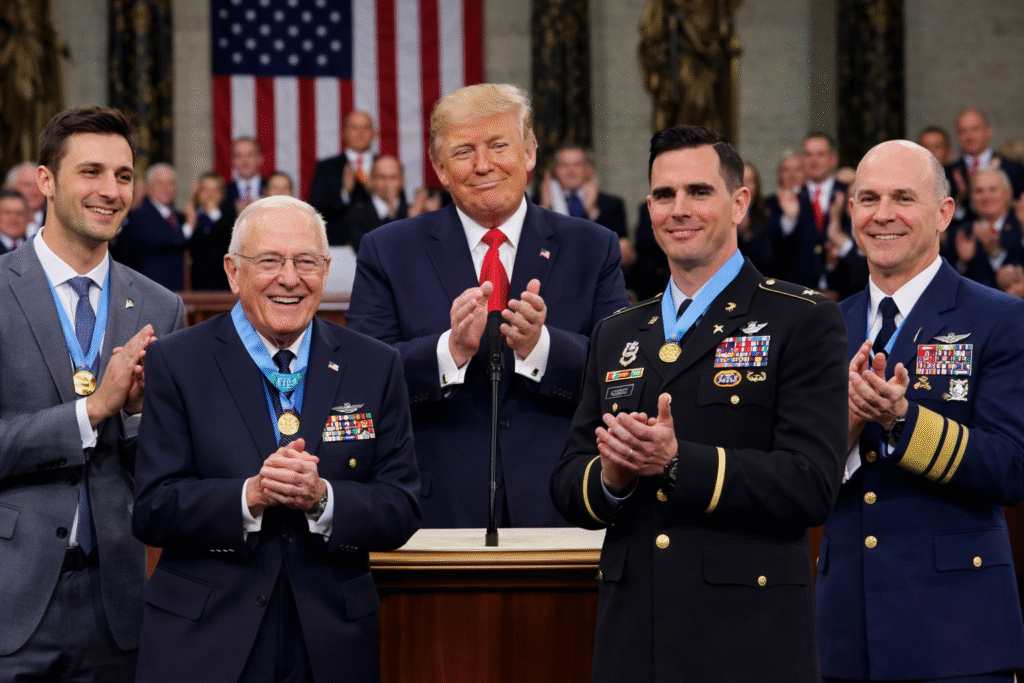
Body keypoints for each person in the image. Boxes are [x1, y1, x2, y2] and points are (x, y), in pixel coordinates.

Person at [549, 125, 848, 682]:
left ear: (739, 203)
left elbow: (811, 484)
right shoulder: (617, 332)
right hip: (633, 637)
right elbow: (568, 484)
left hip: (745, 638)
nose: (678, 209)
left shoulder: (801, 319)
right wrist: (611, 476)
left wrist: (676, 462)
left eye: (698, 192)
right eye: (664, 195)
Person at [132, 195, 420, 682]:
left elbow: (402, 506)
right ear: (232, 271)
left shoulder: (374, 364)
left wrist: (323, 499)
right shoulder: (178, 362)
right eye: (269, 261)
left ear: (326, 270)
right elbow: (153, 507)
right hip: (206, 641)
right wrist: (250, 496)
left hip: (330, 644)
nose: (290, 278)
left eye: (305, 261)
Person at [347, 83, 629, 528]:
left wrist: (541, 347)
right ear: (440, 168)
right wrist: (449, 350)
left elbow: (622, 377)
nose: (483, 165)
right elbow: (360, 379)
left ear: (530, 152)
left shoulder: (591, 247)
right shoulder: (388, 250)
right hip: (433, 512)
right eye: (463, 152)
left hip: (560, 505)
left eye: (499, 146)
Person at [815, 139, 1024, 682]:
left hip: (955, 632)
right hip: (842, 630)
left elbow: (1011, 467)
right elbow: (799, 473)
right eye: (867, 199)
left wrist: (903, 421)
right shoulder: (823, 328)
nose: (883, 215)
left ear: (944, 214)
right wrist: (849, 420)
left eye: (903, 198)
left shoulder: (999, 319)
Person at [0, 106, 184, 679]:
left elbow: (162, 469)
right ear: (45, 182)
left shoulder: (161, 306)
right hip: (12, 605)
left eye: (124, 176)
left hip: (119, 609)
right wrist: (92, 410)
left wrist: (133, 419)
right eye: (92, 172)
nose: (111, 191)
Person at [769, 133, 852, 287]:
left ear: (834, 159)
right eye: (808, 155)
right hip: (799, 289)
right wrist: (790, 218)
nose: (814, 160)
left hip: (844, 287)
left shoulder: (849, 193)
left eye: (820, 154)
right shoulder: (787, 197)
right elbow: (773, 247)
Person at [536, 145, 633, 267]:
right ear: (555, 170)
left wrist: (593, 211)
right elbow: (530, 246)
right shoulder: (537, 203)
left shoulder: (611, 204)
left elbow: (622, 254)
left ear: (588, 169)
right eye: (564, 165)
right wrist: (544, 207)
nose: (570, 171)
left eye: (577, 165)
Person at [113, 163, 190, 291]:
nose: (166, 188)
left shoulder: (180, 217)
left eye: (171, 183)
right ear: (148, 187)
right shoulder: (139, 215)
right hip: (150, 291)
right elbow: (159, 240)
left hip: (179, 292)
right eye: (160, 183)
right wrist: (190, 226)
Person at [946, 167, 1021, 289]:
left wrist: (996, 254)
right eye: (979, 191)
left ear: (1007, 193)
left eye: (993, 189)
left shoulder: (1021, 228)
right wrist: (963, 264)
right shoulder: (960, 233)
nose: (986, 196)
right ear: (971, 197)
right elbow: (945, 284)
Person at [946, 107, 1024, 221]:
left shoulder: (1013, 169)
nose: (969, 136)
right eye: (963, 131)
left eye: (975, 129)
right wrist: (960, 201)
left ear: (989, 131)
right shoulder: (947, 173)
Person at [308, 110, 376, 239]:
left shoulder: (386, 166)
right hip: (339, 245)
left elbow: (398, 208)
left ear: (374, 133)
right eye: (354, 128)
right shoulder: (326, 167)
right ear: (344, 133)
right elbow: (316, 210)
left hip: (378, 241)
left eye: (365, 128)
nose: (360, 133)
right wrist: (344, 193)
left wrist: (377, 192)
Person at [340, 155, 408, 250]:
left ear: (402, 181)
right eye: (382, 177)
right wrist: (391, 215)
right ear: (371, 180)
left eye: (393, 177)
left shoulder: (414, 213)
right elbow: (365, 250)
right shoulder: (356, 215)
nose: (387, 183)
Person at [184, 171, 233, 290]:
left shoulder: (230, 218)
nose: (210, 194)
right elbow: (195, 247)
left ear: (222, 194)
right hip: (197, 285)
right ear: (198, 193)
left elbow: (225, 238)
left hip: (224, 286)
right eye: (205, 189)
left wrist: (212, 214)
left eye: (215, 190)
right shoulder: (191, 218)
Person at [221, 136, 266, 221]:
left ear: (260, 159)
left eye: (250, 155)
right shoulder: (223, 192)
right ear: (232, 161)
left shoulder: (272, 189)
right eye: (238, 156)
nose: (245, 161)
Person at [4, 161, 47, 237]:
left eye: (38, 185)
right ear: (10, 187)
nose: (34, 191)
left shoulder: (58, 220)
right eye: (27, 185)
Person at [0, 188, 30, 252]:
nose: (14, 218)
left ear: (27, 218)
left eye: (19, 213)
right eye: (7, 212)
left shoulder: (36, 248)